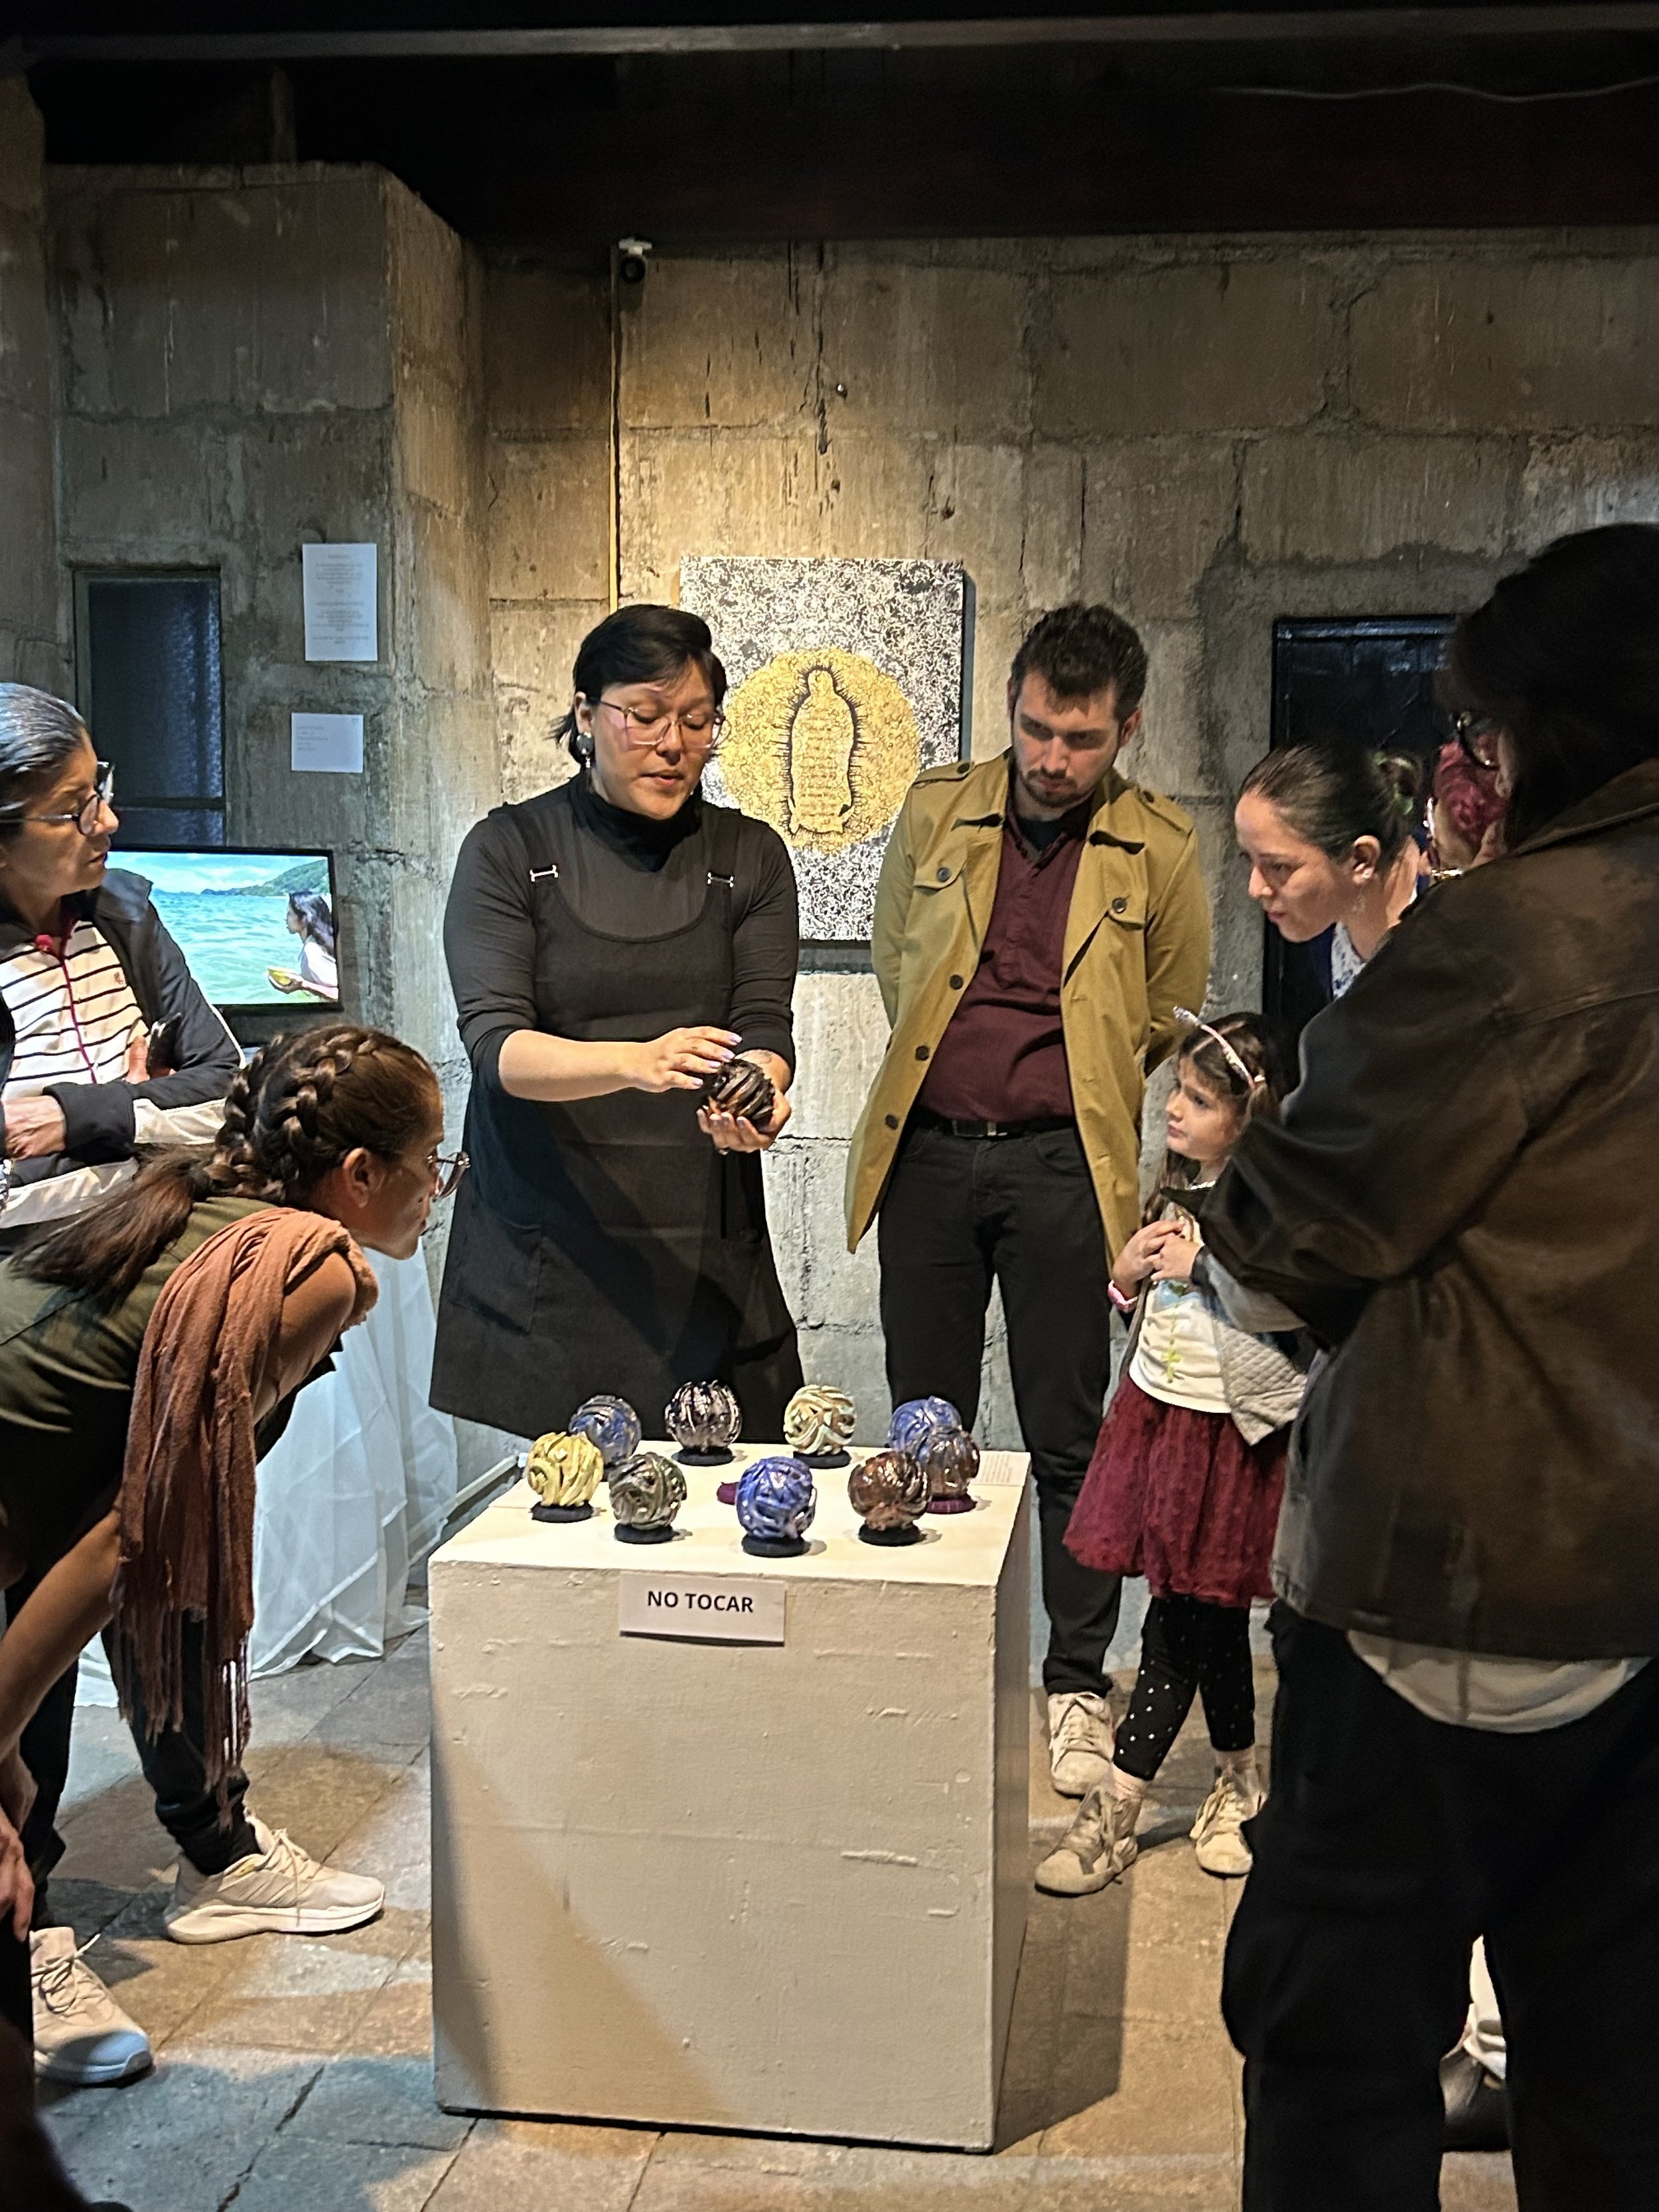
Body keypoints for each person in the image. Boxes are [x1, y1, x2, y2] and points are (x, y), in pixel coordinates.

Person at [1203, 523, 1659, 2212]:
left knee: (1338, 2049)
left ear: (1549, 735)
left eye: (1475, 738)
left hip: (1446, 1589)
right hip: (1637, 1598)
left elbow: (1271, 1254)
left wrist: (1247, 1151)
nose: (1459, 778)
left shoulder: (1501, 942)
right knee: (1615, 2067)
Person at [0, 1025, 459, 2089]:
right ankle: (29, 1954)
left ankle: (215, 1854)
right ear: (360, 1174)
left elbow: (156, 1536)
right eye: (432, 1162)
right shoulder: (317, 1272)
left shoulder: (213, 1207)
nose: (437, 1188)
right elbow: (133, 1529)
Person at [846, 604, 1211, 1799]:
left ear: (1128, 729)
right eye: (1038, 728)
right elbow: (904, 959)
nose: (1054, 758)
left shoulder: (1159, 848)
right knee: (927, 1423)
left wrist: (1070, 1082)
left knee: (1072, 1436)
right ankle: (940, 1656)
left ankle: (1072, 1682)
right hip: (932, 1159)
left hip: (1065, 1166)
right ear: (1011, 705)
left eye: (1084, 739)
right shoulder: (938, 809)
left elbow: (1167, 1004)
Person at [434, 604, 802, 1441]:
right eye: (644, 717)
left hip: (697, 1242)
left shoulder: (749, 857)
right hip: (550, 1240)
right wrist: (637, 1062)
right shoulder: (507, 851)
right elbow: (498, 1049)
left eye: (698, 721)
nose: (673, 745)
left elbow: (763, 1029)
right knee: (566, 1526)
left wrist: (763, 1100)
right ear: (586, 714)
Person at [1035, 1011, 1305, 1897]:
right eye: (1177, 1093)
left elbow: (1286, 1311)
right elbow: (1147, 1307)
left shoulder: (1268, 1203)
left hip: (1231, 1436)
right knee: (1207, 1616)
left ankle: (1118, 1806)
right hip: (1159, 1422)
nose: (1175, 1111)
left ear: (1248, 1115)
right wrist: (1127, 1273)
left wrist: (1203, 1267)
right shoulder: (1177, 1188)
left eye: (1197, 1098)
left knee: (1181, 1627)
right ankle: (1236, 1782)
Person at [0, 684, 240, 1248]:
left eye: (100, 789)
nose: (106, 820)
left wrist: (80, 1115)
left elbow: (231, 1089)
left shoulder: (126, 916)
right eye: (73, 809)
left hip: (152, 1228)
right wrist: (149, 1117)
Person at [1233, 738, 1423, 1005]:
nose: (1255, 889)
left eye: (1278, 866)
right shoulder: (1320, 927)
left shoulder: (1452, 917)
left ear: (1361, 859)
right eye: (1248, 859)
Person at [270, 889, 340, 1001]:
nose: (285, 918)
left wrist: (303, 985)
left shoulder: (312, 951)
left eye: (290, 913)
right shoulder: (321, 943)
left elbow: (341, 994)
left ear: (304, 918)